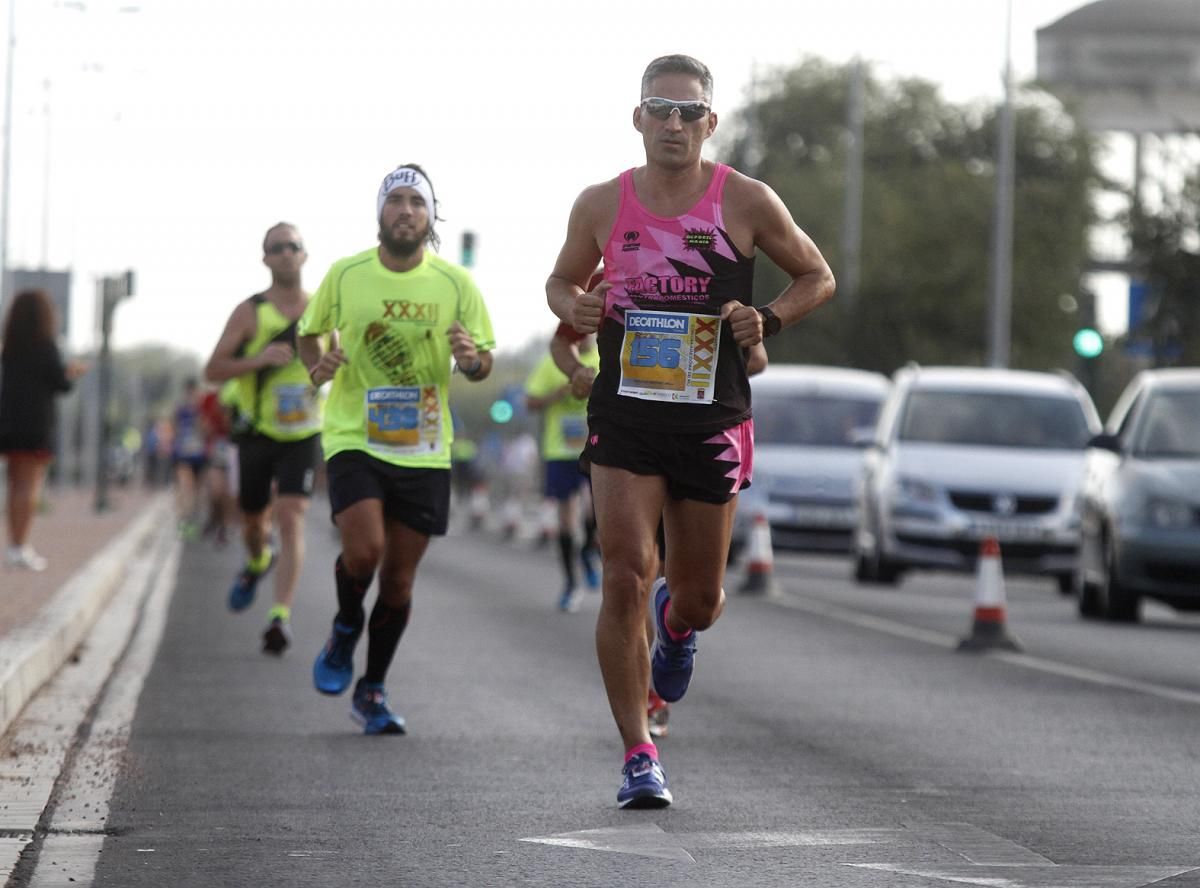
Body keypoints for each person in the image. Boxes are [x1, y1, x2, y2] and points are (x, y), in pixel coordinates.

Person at [546, 54, 835, 808]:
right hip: (626, 413)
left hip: (711, 419)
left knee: (699, 596)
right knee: (623, 573)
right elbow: (560, 282)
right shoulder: (600, 205)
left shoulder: (744, 200)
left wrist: (766, 317)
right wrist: (572, 307)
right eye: (658, 109)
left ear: (710, 122)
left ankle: (677, 630)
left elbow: (817, 276)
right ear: (637, 118)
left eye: (688, 112)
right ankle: (638, 751)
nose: (673, 123)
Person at [299, 163, 496, 735]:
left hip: (425, 446)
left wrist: (469, 359)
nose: (405, 210)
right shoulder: (347, 274)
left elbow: (482, 363)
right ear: (380, 213)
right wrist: (317, 363)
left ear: (431, 216)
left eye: (416, 201)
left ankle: (372, 687)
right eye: (395, 200)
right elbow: (310, 330)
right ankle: (343, 627)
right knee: (364, 553)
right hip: (354, 435)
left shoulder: (456, 284)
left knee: (401, 581)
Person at [551, 323, 769, 740]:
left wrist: (716, 361)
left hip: (700, 437)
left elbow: (756, 358)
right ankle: (648, 707)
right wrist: (578, 371)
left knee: (693, 597)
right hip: (632, 438)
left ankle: (676, 623)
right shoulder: (607, 275)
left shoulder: (714, 277)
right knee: (635, 574)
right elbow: (562, 339)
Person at [204, 222, 322, 655]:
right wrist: (258, 359)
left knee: (290, 517)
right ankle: (257, 561)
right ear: (265, 258)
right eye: (277, 248)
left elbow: (343, 366)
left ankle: (279, 618)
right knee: (254, 523)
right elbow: (212, 371)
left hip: (304, 432)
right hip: (257, 432)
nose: (286, 253)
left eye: (293, 246)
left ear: (305, 256)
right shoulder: (250, 312)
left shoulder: (321, 310)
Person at [0, 289, 86, 570]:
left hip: (8, 422)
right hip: (36, 424)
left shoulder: (9, 346)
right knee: (29, 486)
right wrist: (72, 372)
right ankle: (18, 546)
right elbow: (60, 384)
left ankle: (14, 544)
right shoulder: (46, 346)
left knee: (14, 485)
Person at [524, 330, 601, 613]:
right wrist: (556, 395)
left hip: (597, 447)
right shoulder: (552, 362)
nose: (586, 337)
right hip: (559, 451)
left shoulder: (606, 356)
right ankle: (571, 583)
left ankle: (588, 551)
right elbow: (529, 402)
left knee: (597, 513)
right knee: (566, 519)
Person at [171, 378, 211, 540]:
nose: (191, 395)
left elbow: (208, 430)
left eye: (193, 391)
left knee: (198, 492)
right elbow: (173, 429)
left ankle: (194, 521)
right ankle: (183, 523)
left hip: (200, 456)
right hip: (183, 455)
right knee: (185, 488)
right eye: (188, 391)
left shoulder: (203, 409)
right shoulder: (179, 409)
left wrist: (201, 422)